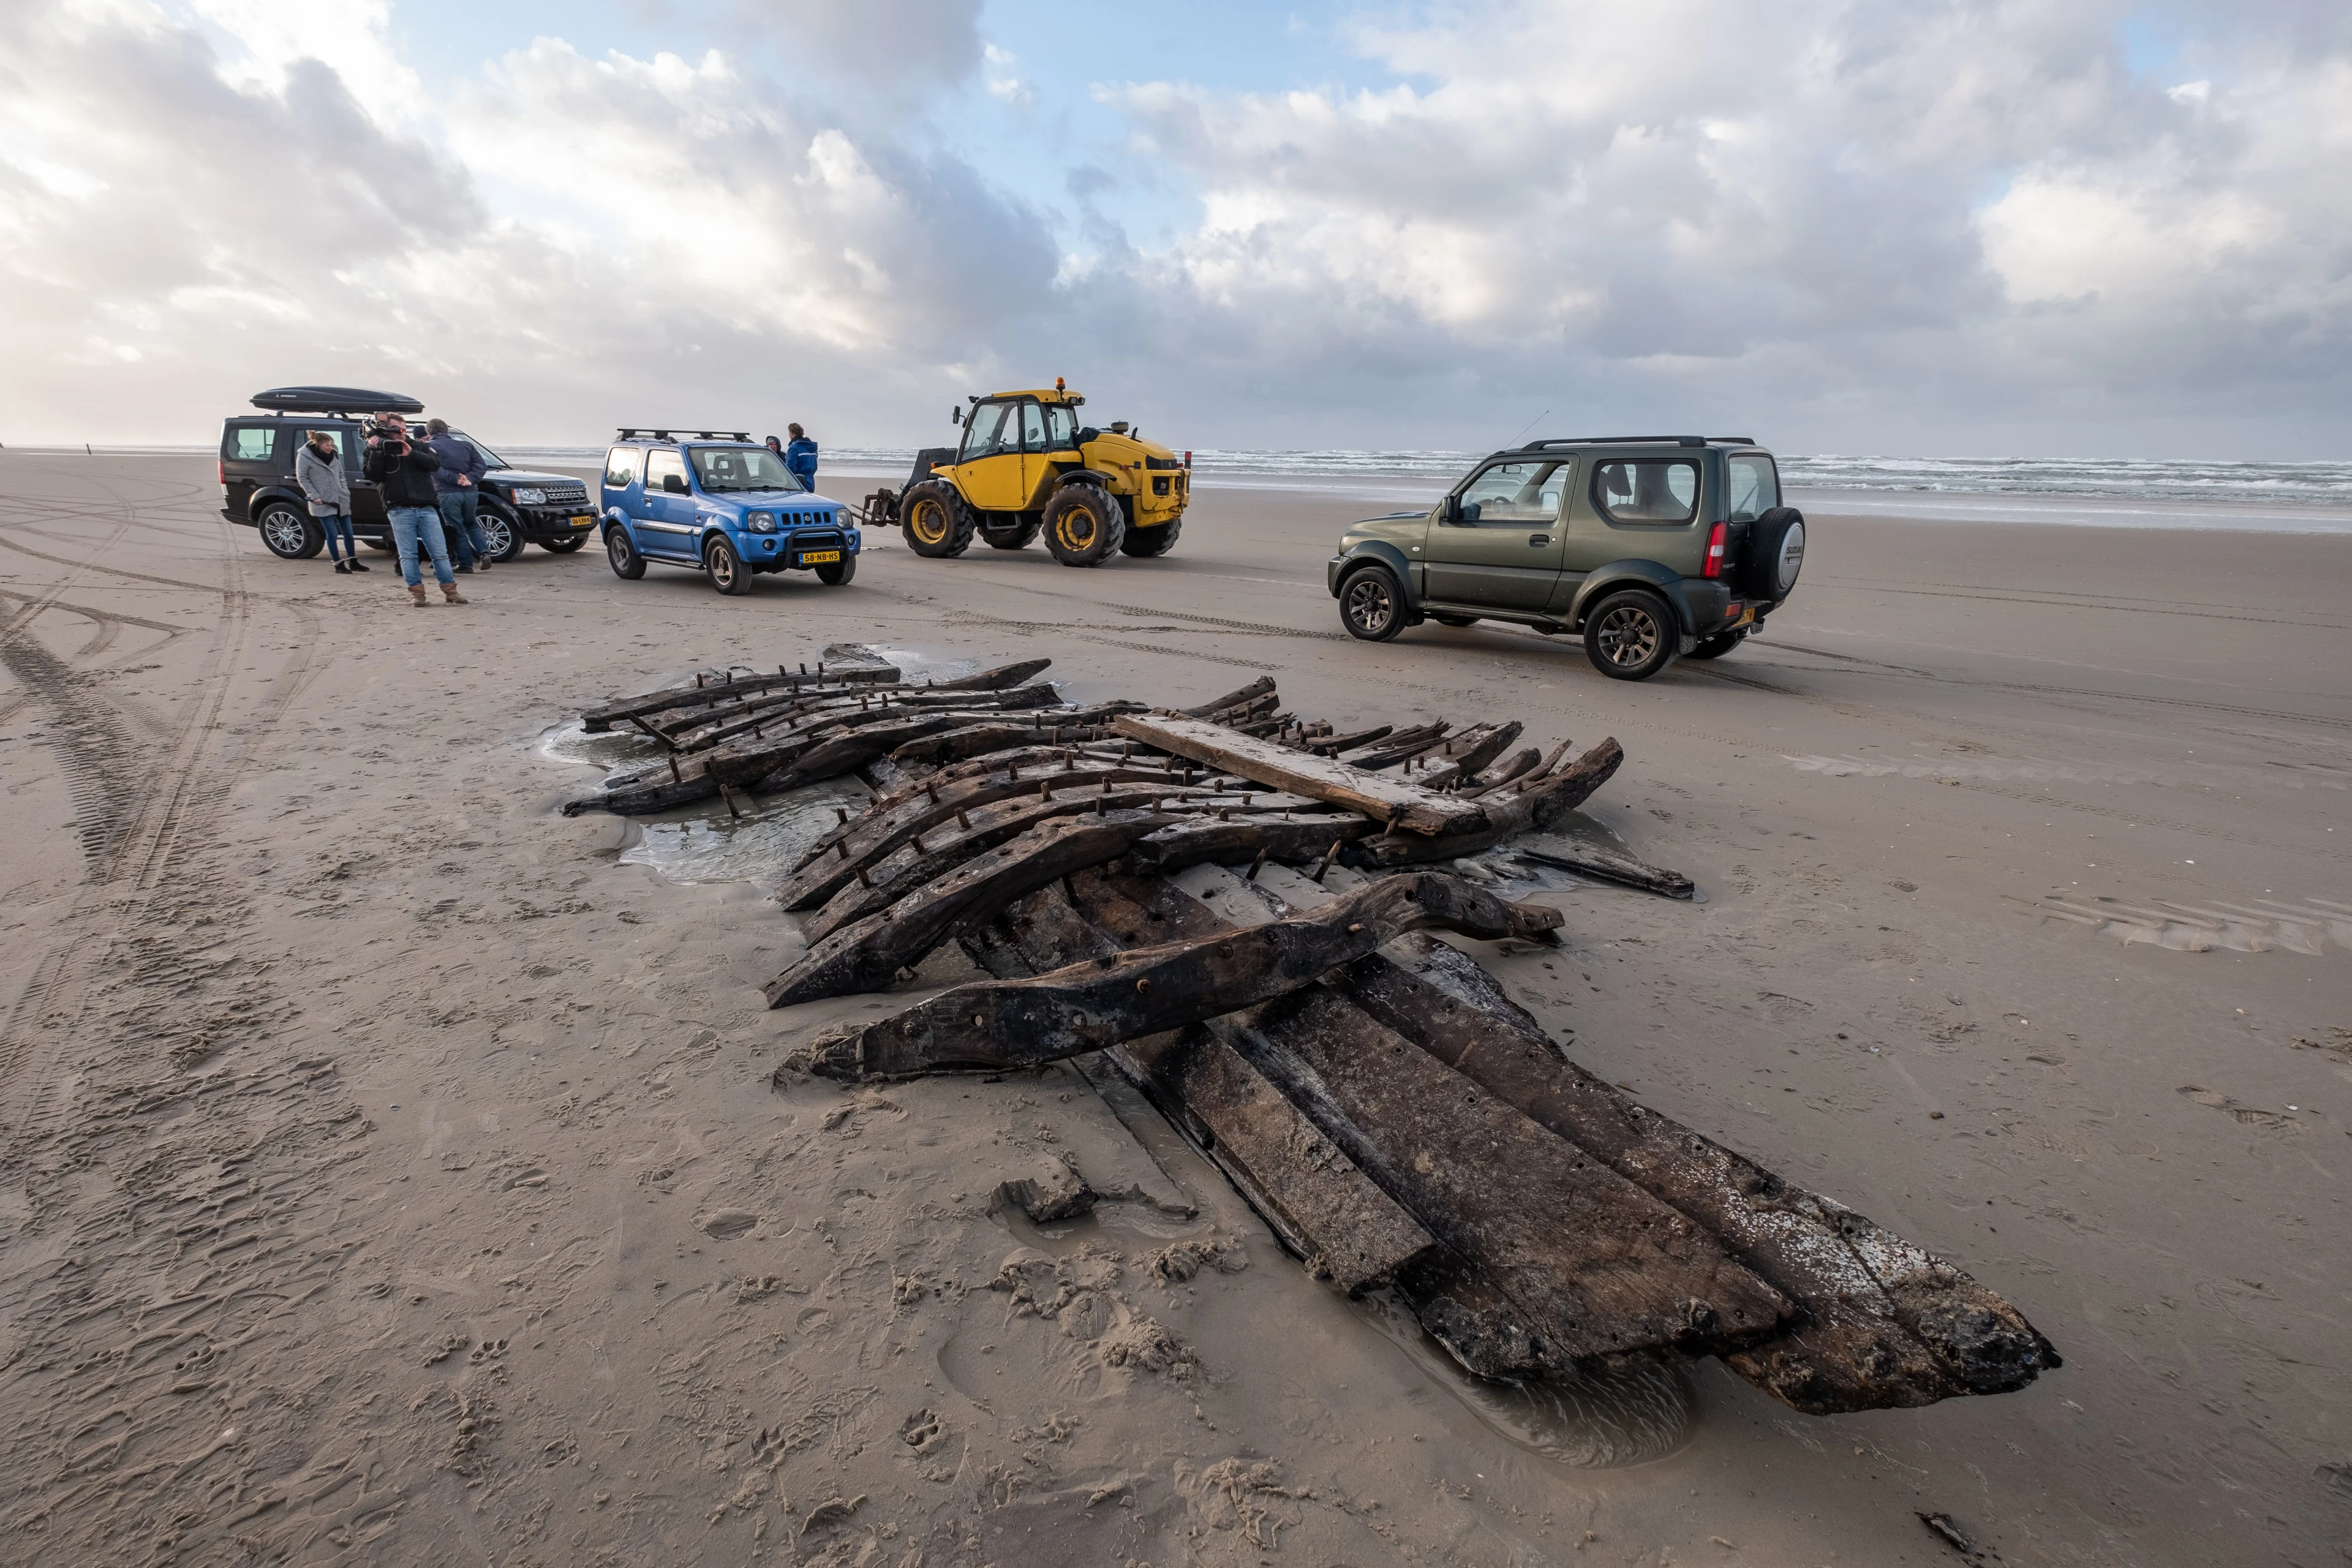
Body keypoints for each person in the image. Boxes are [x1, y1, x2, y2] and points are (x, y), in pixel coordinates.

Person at [364, 412, 464, 606]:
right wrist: (377, 452)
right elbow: (373, 475)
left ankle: (451, 592)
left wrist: (411, 453)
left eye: (403, 429)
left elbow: (435, 464)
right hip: (398, 507)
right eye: (396, 429)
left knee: (440, 553)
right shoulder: (376, 449)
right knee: (408, 555)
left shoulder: (419, 445)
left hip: (426, 506)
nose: (401, 433)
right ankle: (417, 594)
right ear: (385, 430)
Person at [295, 429, 368, 574]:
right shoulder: (305, 456)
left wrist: (344, 489)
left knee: (348, 532)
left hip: (340, 498)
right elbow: (302, 478)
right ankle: (338, 565)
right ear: (318, 444)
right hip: (322, 500)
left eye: (332, 444)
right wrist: (314, 495)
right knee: (332, 533)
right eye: (327, 445)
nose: (330, 448)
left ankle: (353, 561)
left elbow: (340, 473)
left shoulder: (334, 454)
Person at [424, 418, 489, 573]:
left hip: (447, 492)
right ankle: (484, 552)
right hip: (470, 491)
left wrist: (455, 479)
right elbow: (481, 465)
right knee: (472, 524)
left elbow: (435, 469)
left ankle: (466, 564)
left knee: (457, 528)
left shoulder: (429, 447)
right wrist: (470, 478)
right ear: (446, 430)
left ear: (429, 432)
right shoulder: (466, 445)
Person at [785, 423, 818, 491]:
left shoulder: (794, 448)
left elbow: (790, 467)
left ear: (791, 433)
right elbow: (815, 466)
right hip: (811, 481)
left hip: (798, 482)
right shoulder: (812, 448)